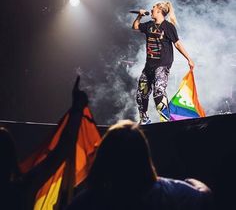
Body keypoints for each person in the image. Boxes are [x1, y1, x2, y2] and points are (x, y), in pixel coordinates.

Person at [66, 120, 212, 210]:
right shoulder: (172, 193)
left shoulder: (89, 202)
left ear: (104, 157)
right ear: (144, 154)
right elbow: (204, 197)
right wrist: (193, 183)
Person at [0, 76, 88, 210]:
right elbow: (59, 153)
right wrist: (76, 111)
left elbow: (59, 153)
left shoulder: (20, 189)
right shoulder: (20, 190)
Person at [132, 1, 194, 124]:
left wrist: (189, 58)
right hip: (149, 65)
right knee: (141, 93)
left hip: (163, 63)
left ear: (159, 10)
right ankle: (144, 119)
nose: (151, 9)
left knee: (158, 91)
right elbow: (135, 27)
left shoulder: (168, 26)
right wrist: (139, 16)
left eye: (153, 7)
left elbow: (177, 43)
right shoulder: (149, 25)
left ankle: (165, 119)